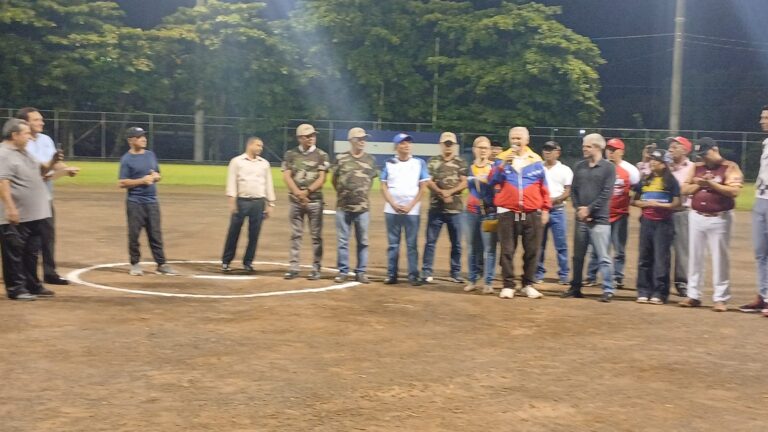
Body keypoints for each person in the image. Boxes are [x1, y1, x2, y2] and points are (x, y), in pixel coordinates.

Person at [679, 137, 743, 312]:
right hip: (696, 216)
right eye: (700, 154)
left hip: (720, 218)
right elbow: (684, 189)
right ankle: (693, 295)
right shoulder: (697, 167)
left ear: (714, 149)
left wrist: (711, 184)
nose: (703, 158)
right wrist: (699, 186)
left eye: (705, 153)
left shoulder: (730, 167)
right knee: (695, 257)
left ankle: (720, 298)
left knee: (720, 258)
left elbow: (734, 191)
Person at [15, 107, 77, 285]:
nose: (41, 122)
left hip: (46, 198)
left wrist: (65, 169)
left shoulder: (46, 139)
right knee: (25, 241)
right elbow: (38, 171)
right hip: (26, 200)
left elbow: (53, 163)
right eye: (36, 120)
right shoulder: (21, 144)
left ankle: (50, 273)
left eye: (41, 119)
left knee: (47, 236)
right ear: (25, 123)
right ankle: (22, 275)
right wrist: (52, 168)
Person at [488, 127, 551, 299]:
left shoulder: (536, 160)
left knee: (532, 250)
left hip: (532, 212)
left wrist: (545, 209)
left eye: (519, 138)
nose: (516, 141)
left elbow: (544, 187)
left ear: (527, 140)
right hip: (507, 211)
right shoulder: (501, 159)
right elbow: (492, 180)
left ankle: (528, 284)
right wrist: (502, 164)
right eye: (513, 138)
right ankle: (508, 285)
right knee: (507, 250)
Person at [0, 119, 54, 300]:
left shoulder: (25, 153)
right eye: (26, 134)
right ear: (14, 135)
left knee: (31, 253)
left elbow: (43, 171)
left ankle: (33, 285)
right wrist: (10, 208)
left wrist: (54, 160)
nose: (30, 137)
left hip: (35, 214)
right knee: (14, 253)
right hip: (17, 215)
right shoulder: (4, 154)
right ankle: (16, 289)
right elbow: (2, 182)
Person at [562, 133, 616, 302]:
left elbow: (606, 193)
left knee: (603, 257)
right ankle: (575, 287)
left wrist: (589, 210)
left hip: (600, 219)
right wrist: (579, 209)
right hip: (581, 219)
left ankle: (608, 289)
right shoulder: (579, 166)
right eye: (584, 146)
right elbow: (574, 191)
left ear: (598, 147)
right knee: (578, 256)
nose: (584, 149)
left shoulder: (608, 167)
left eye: (588, 146)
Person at [118, 127, 177, 276]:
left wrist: (156, 176)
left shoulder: (151, 155)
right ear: (131, 140)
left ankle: (161, 264)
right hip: (135, 202)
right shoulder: (126, 159)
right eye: (139, 137)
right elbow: (122, 182)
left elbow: (157, 173)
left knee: (155, 233)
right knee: (134, 234)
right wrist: (142, 181)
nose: (144, 139)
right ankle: (135, 263)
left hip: (152, 201)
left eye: (144, 136)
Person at [585, 138, 640, 289]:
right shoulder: (600, 166)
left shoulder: (631, 171)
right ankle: (591, 276)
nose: (609, 152)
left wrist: (630, 201)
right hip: (602, 214)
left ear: (621, 152)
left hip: (621, 215)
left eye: (613, 149)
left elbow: (637, 190)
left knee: (619, 248)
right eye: (608, 149)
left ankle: (617, 277)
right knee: (597, 247)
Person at [632, 149, 681, 304]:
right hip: (647, 222)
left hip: (663, 223)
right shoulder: (646, 180)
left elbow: (676, 203)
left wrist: (659, 205)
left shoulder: (671, 181)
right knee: (644, 257)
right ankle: (643, 290)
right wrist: (645, 204)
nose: (653, 162)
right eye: (652, 159)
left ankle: (660, 292)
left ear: (664, 163)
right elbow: (634, 200)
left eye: (657, 160)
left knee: (661, 258)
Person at [281, 124, 329, 280]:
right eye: (308, 136)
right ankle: (293, 267)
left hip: (314, 201)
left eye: (313, 135)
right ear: (300, 138)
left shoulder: (322, 155)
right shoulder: (290, 154)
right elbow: (287, 176)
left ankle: (316, 268)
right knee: (296, 235)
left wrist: (306, 192)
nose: (311, 138)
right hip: (296, 201)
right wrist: (298, 193)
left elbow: (322, 179)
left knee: (316, 236)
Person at [221, 137, 276, 273]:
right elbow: (232, 182)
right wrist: (232, 201)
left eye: (261, 146)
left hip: (258, 202)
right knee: (234, 232)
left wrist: (271, 203)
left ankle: (248, 262)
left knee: (254, 234)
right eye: (258, 145)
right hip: (242, 201)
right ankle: (226, 261)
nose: (260, 148)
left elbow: (268, 183)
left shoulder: (264, 164)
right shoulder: (237, 161)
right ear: (250, 145)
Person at [381, 133, 429, 286]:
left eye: (408, 142)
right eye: (402, 143)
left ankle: (413, 275)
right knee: (393, 244)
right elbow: (383, 186)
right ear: (396, 146)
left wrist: (411, 205)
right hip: (391, 209)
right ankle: (391, 274)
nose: (406, 145)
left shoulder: (419, 163)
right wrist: (393, 203)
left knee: (411, 244)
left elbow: (423, 187)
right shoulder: (389, 163)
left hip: (412, 211)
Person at [331, 127, 378, 284]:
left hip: (362, 208)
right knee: (343, 241)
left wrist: (361, 195)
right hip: (343, 207)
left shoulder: (370, 160)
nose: (363, 141)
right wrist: (343, 193)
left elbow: (370, 181)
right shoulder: (341, 158)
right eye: (359, 138)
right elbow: (334, 180)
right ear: (351, 140)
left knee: (363, 241)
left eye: (364, 138)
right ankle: (343, 271)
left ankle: (361, 272)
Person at [422, 131, 468, 283]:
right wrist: (441, 192)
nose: (448, 146)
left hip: (455, 209)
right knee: (430, 242)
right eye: (445, 143)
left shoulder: (460, 162)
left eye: (451, 144)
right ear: (440, 145)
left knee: (456, 243)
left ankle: (455, 272)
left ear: (454, 145)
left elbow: (464, 182)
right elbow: (428, 180)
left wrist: (450, 192)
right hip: (436, 208)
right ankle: (427, 271)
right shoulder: (433, 161)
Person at [740, 106, 768, 316]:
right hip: (760, 199)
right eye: (761, 117)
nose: (762, 120)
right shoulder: (766, 142)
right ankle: (763, 294)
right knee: (760, 253)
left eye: (766, 117)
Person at [463, 136, 497, 294]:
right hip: (471, 212)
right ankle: (472, 279)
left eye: (486, 148)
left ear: (490, 151)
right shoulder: (469, 168)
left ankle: (488, 282)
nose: (483, 150)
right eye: (480, 147)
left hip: (488, 213)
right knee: (472, 248)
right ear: (474, 149)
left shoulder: (494, 168)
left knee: (489, 249)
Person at [535, 141, 572, 286]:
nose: (547, 152)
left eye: (551, 149)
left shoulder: (565, 170)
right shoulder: (537, 168)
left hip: (558, 210)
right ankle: (538, 273)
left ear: (558, 152)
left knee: (561, 244)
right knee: (539, 244)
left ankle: (564, 274)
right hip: (540, 210)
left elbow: (567, 191)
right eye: (545, 149)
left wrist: (552, 200)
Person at [666, 136, 695, 297]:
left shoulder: (692, 167)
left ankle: (682, 282)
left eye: (674, 146)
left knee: (682, 250)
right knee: (661, 248)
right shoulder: (664, 166)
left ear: (685, 149)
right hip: (663, 211)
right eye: (670, 146)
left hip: (683, 212)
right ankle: (661, 281)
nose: (670, 149)